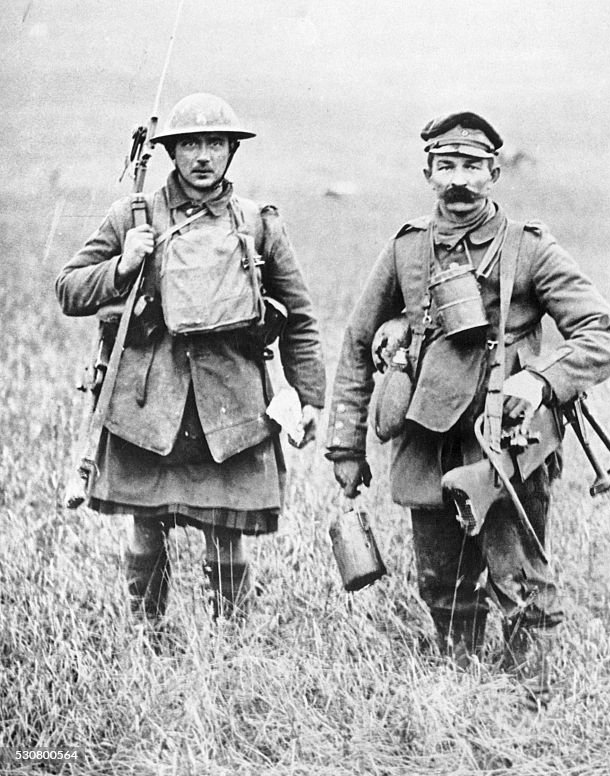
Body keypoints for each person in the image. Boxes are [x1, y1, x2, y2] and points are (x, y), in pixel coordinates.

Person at [326, 111, 610, 704]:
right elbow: (359, 341)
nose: (458, 180)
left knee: (518, 574)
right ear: (428, 173)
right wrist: (345, 444)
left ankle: (528, 700)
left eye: (471, 167)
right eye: (446, 167)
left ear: (493, 174)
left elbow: (602, 333)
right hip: (426, 433)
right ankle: (456, 688)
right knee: (441, 578)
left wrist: (542, 380)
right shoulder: (407, 250)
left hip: (506, 441)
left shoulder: (530, 249)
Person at [56, 93, 326, 625]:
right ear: (171, 151)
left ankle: (228, 644)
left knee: (228, 535)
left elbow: (298, 316)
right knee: (146, 528)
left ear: (231, 151)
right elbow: (68, 290)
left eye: (215, 144)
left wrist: (309, 396)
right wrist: (123, 264)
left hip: (233, 405)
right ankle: (147, 634)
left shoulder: (258, 223)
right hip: (149, 403)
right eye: (190, 144)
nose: (203, 156)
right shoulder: (131, 215)